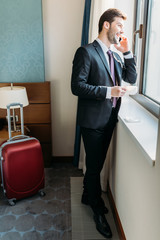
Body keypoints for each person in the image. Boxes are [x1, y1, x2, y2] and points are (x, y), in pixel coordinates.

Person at [71, 8, 137, 239]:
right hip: (92, 122)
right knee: (96, 166)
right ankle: (97, 209)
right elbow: (77, 87)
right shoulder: (86, 52)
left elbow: (132, 78)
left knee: (95, 163)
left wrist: (127, 52)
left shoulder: (116, 54)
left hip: (110, 119)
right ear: (106, 25)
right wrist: (109, 91)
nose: (122, 30)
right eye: (119, 25)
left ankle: (86, 195)